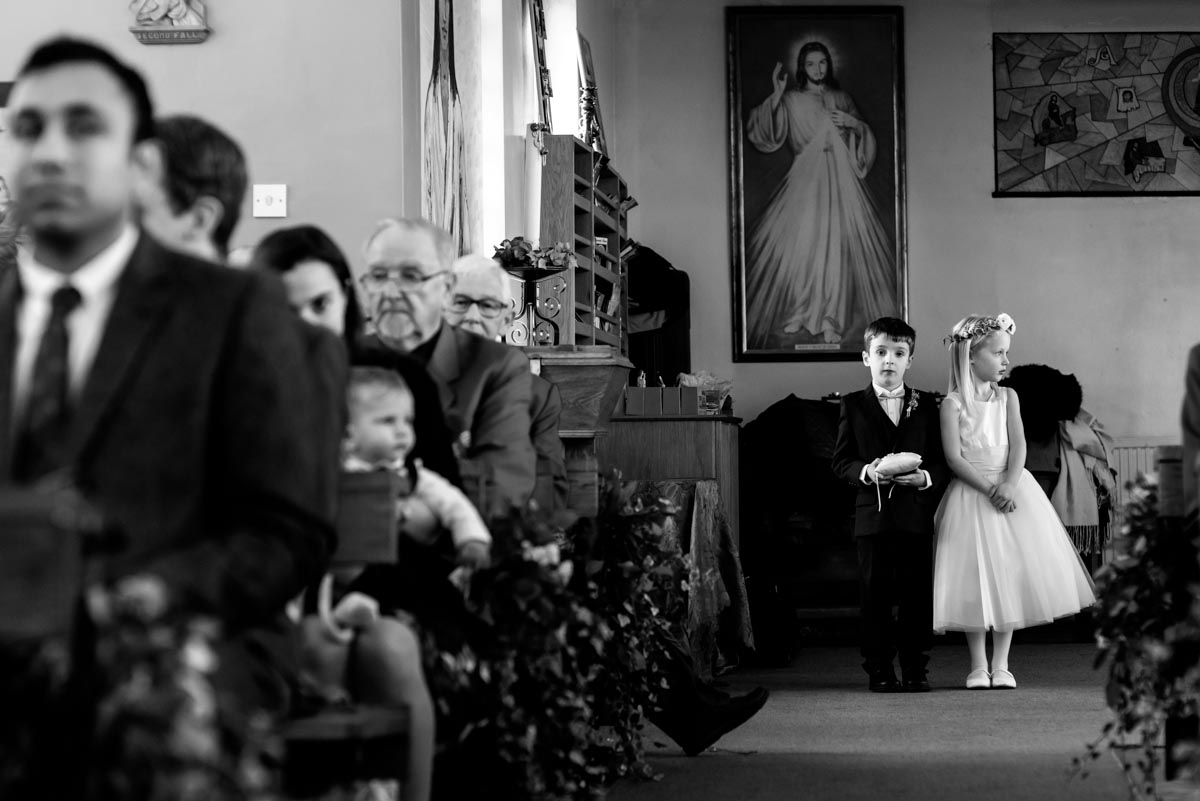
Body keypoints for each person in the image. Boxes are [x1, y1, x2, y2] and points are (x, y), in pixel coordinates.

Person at [0, 36, 330, 792]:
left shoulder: (229, 310)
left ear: (137, 160)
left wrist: (147, 595)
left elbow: (288, 531)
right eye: (27, 128)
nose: (51, 152)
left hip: (179, 636)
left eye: (84, 127)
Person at [933, 313, 1096, 689]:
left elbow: (1019, 444)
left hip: (1012, 489)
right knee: (973, 579)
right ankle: (977, 664)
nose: (1006, 361)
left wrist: (1007, 484)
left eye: (1007, 353)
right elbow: (954, 458)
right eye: (999, 353)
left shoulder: (1009, 396)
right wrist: (989, 489)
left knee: (1007, 575)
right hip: (972, 495)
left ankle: (1002, 663)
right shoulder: (953, 404)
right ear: (971, 357)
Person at [251, 224, 461, 485]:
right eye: (287, 309)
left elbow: (446, 491)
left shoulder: (403, 378)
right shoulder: (237, 387)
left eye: (320, 304)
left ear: (345, 296)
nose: (307, 325)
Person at [358, 218, 535, 517]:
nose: (390, 292)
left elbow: (500, 490)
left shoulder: (495, 367)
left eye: (411, 276)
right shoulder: (345, 360)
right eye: (378, 275)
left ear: (447, 287)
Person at [743, 41, 896, 348]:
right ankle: (800, 311)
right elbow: (764, 134)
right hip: (805, 181)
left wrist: (853, 123)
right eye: (811, 64)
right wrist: (775, 94)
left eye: (823, 62)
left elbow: (862, 137)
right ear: (802, 66)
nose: (818, 69)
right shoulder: (790, 99)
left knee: (834, 252)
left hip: (838, 182)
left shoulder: (841, 98)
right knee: (804, 249)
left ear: (829, 64)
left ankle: (830, 319)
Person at [831, 317, 947, 693]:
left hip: (915, 515)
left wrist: (925, 478)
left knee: (916, 596)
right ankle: (879, 669)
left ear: (909, 360)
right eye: (880, 352)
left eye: (898, 353)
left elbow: (944, 460)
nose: (889, 361)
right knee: (875, 595)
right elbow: (841, 461)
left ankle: (916, 667)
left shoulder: (928, 405)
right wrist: (866, 471)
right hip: (873, 519)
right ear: (866, 357)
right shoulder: (853, 405)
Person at [445, 252, 569, 514]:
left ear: (506, 321)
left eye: (488, 305)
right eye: (460, 302)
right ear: (442, 310)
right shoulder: (414, 375)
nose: (473, 316)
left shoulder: (539, 397)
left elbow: (547, 492)